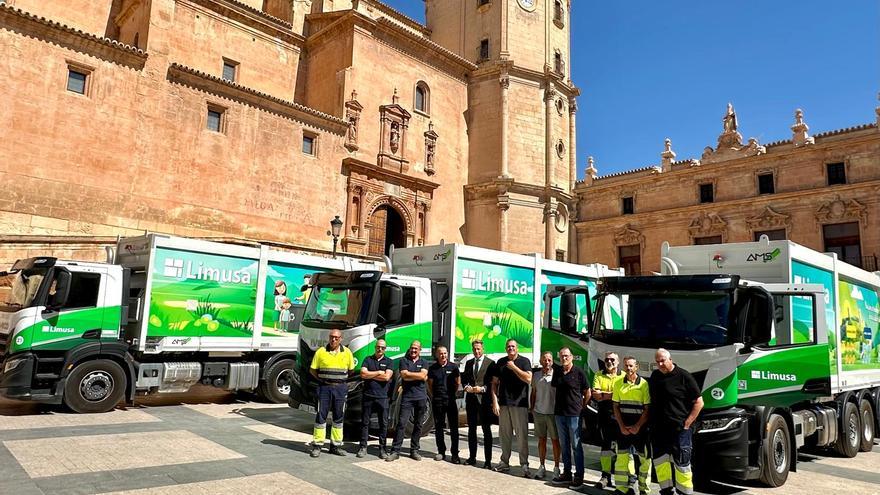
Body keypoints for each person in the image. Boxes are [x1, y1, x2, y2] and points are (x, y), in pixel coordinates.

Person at [650, 348, 704, 495]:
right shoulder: (655, 376)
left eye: (663, 361)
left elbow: (699, 402)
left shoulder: (684, 376)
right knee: (660, 461)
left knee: (682, 463)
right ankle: (666, 490)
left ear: (670, 359)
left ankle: (684, 492)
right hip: (659, 429)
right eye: (657, 362)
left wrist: (687, 423)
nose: (660, 364)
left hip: (680, 429)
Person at [309, 329, 355, 457]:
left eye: (336, 337)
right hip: (324, 388)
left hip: (340, 389)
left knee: (339, 417)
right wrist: (323, 380)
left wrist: (339, 380)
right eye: (331, 337)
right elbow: (312, 370)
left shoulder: (347, 352)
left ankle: (335, 446)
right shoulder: (321, 351)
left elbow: (351, 370)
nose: (333, 339)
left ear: (341, 339)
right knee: (321, 415)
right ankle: (317, 445)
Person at [492, 338, 533, 477]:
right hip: (504, 403)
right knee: (504, 435)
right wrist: (495, 401)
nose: (511, 348)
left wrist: (514, 367)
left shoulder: (524, 361)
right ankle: (504, 462)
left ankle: (524, 464)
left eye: (513, 346)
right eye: (508, 346)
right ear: (505, 348)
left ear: (517, 348)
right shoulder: (500, 362)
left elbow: (528, 379)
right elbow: (494, 383)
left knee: (522, 436)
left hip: (519, 405)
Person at [551, 346, 590, 488]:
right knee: (564, 445)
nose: (564, 358)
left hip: (574, 415)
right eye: (562, 356)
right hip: (559, 414)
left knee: (576, 446)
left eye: (566, 356)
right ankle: (567, 473)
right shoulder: (557, 372)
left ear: (572, 357)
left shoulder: (579, 372)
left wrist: (582, 407)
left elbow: (588, 392)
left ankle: (579, 475)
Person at [613, 356, 651, 495]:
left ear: (636, 367)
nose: (628, 368)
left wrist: (637, 427)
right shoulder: (618, 383)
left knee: (645, 460)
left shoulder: (644, 384)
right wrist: (622, 427)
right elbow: (615, 406)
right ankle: (621, 489)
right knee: (621, 459)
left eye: (631, 366)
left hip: (640, 430)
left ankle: (644, 490)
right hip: (623, 429)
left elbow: (647, 409)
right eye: (626, 366)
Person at [387, 340, 429, 462]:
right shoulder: (403, 361)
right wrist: (418, 376)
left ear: (420, 350)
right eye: (412, 348)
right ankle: (395, 451)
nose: (413, 350)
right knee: (401, 423)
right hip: (407, 397)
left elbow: (422, 376)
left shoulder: (424, 362)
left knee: (418, 425)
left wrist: (411, 375)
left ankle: (414, 450)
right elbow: (404, 376)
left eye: (416, 348)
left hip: (421, 397)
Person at [358, 338, 393, 459]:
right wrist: (378, 372)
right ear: (375, 347)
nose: (380, 349)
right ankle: (363, 447)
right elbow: (363, 374)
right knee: (365, 423)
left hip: (382, 397)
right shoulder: (368, 359)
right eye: (378, 347)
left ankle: (382, 449)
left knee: (383, 424)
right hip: (368, 396)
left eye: (382, 348)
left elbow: (386, 377)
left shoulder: (389, 361)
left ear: (385, 349)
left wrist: (370, 375)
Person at [593, 351, 624, 489]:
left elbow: (624, 395)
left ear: (618, 362)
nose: (609, 362)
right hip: (604, 417)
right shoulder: (598, 375)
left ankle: (621, 479)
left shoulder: (624, 376)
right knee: (606, 447)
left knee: (621, 448)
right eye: (607, 360)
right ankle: (605, 476)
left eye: (612, 359)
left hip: (621, 418)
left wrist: (604, 394)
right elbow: (596, 395)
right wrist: (615, 394)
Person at [462, 339, 494, 468]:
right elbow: (464, 380)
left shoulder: (490, 363)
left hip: (484, 401)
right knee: (472, 430)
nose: (477, 351)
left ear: (483, 349)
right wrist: (466, 387)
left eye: (479, 349)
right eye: (474, 349)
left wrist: (482, 389)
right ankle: (472, 457)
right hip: (471, 401)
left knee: (486, 430)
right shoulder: (469, 363)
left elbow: (492, 383)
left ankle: (488, 461)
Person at [427, 346, 461, 463]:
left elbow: (457, 383)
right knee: (439, 427)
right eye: (441, 353)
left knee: (454, 428)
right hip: (438, 401)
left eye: (445, 353)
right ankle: (441, 451)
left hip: (450, 401)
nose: (443, 355)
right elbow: (430, 385)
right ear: (437, 355)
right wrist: (436, 395)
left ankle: (455, 454)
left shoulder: (453, 367)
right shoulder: (433, 368)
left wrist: (451, 394)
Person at [530, 351, 561, 480]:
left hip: (552, 413)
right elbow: (533, 392)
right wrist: (532, 408)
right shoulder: (536, 375)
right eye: (544, 359)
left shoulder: (557, 375)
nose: (547, 362)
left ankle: (556, 468)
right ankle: (542, 466)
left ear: (552, 361)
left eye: (549, 360)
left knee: (555, 441)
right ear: (540, 361)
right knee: (541, 440)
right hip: (539, 412)